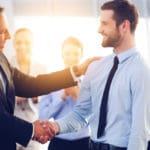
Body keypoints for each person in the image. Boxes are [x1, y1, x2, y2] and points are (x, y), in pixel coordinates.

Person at [49, 0, 150, 150]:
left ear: (124, 26)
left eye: (104, 23)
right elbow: (81, 115)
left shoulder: (141, 71)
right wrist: (54, 127)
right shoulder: (96, 67)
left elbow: (140, 132)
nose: (99, 29)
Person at [0, 6, 99, 150]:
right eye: (2, 31)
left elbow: (32, 84)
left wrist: (77, 71)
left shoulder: (2, 60)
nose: (9, 36)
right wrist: (32, 130)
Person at [39, 36, 91, 150]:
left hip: (84, 142)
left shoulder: (91, 83)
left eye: (75, 54)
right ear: (62, 55)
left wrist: (77, 96)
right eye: (67, 54)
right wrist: (62, 97)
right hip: (59, 142)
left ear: (81, 56)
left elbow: (96, 117)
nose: (71, 58)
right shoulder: (50, 82)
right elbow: (43, 116)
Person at [11, 28, 47, 150]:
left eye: (27, 42)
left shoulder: (42, 68)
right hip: (10, 126)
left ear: (33, 44)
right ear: (13, 44)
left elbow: (47, 98)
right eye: (19, 42)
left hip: (34, 127)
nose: (22, 46)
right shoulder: (6, 67)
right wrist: (29, 92)